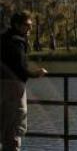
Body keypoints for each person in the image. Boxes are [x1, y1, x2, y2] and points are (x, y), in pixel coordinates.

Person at [0, 11, 48, 151]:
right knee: (14, 129)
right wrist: (36, 74)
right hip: (13, 89)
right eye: (27, 25)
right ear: (17, 25)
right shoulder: (17, 42)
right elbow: (19, 68)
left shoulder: (3, 39)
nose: (30, 29)